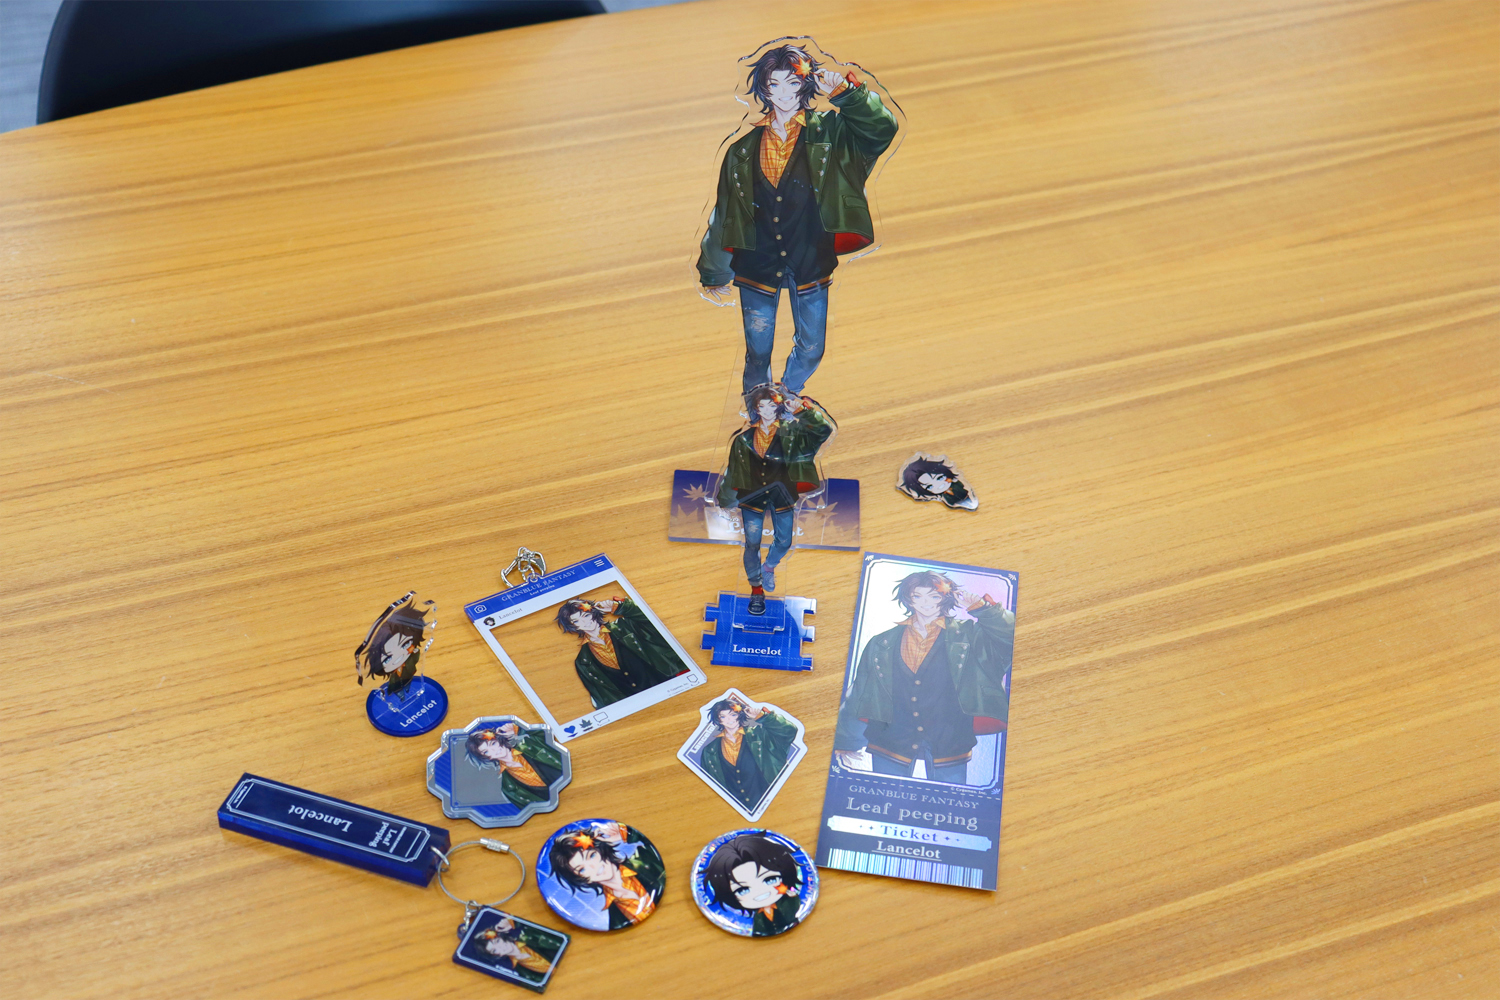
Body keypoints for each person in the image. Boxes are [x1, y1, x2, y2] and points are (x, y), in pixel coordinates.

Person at [697, 43, 899, 394]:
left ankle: (786, 399)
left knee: (811, 348)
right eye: (773, 84)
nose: (783, 93)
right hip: (756, 262)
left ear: (805, 85)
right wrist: (714, 269)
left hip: (811, 258)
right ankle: (758, 411)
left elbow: (881, 129)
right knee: (758, 353)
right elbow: (726, 211)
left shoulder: (833, 134)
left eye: (792, 83)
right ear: (763, 89)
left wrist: (845, 92)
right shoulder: (741, 149)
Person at [833, 570, 1013, 784]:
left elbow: (1010, 637)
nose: (925, 603)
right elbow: (861, 692)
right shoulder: (881, 642)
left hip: (950, 739)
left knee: (951, 802)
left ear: (945, 598)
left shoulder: (968, 635)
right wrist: (846, 741)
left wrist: (984, 609)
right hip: (889, 739)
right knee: (883, 796)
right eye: (917, 596)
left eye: (934, 596)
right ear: (908, 599)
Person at [715, 384, 835, 612]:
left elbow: (823, 430)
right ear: (757, 409)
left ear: (778, 408)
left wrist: (801, 409)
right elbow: (733, 471)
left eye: (772, 406)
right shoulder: (743, 439)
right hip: (751, 496)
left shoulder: (793, 434)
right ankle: (756, 590)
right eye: (762, 406)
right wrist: (726, 500)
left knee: (784, 541)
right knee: (752, 543)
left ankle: (768, 567)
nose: (768, 410)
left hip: (782, 494)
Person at [554, 597, 689, 710]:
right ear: (573, 626)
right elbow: (603, 695)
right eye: (576, 621)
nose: (585, 622)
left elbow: (652, 618)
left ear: (594, 613)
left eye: (586, 615)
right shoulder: (583, 661)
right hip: (637, 708)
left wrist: (620, 607)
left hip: (673, 688)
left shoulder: (626, 627)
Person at [548, 822, 664, 930]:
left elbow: (652, 843)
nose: (594, 867)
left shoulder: (644, 860)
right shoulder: (615, 918)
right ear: (580, 878)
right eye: (582, 869)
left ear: (601, 850)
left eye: (592, 856)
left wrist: (625, 834)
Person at [696, 698, 799, 813]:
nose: (729, 720)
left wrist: (762, 716)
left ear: (740, 715)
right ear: (718, 720)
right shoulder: (709, 751)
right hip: (735, 811)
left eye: (733, 714)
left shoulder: (760, 735)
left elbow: (789, 731)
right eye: (723, 716)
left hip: (777, 801)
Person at [703, 833, 804, 937]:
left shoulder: (789, 902)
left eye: (770, 879)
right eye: (743, 890)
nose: (760, 891)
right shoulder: (757, 917)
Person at [462, 723, 564, 808]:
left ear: (499, 740)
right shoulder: (508, 788)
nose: (494, 750)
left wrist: (518, 730)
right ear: (486, 757)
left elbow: (550, 733)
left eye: (493, 744)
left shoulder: (532, 744)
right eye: (486, 752)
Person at [355, 601, 428, 697]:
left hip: (410, 679)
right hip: (395, 686)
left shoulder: (413, 655)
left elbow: (415, 658)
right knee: (397, 692)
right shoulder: (393, 676)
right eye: (388, 659)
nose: (399, 657)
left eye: (405, 644)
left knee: (407, 687)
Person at [468, 916, 556, 982]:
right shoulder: (519, 972)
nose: (500, 947)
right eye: (494, 950)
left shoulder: (530, 935)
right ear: (496, 955)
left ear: (501, 937)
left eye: (497, 941)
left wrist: (512, 921)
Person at [897, 456, 977, 510]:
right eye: (929, 486)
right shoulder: (944, 497)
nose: (938, 485)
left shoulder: (957, 484)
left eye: (939, 478)